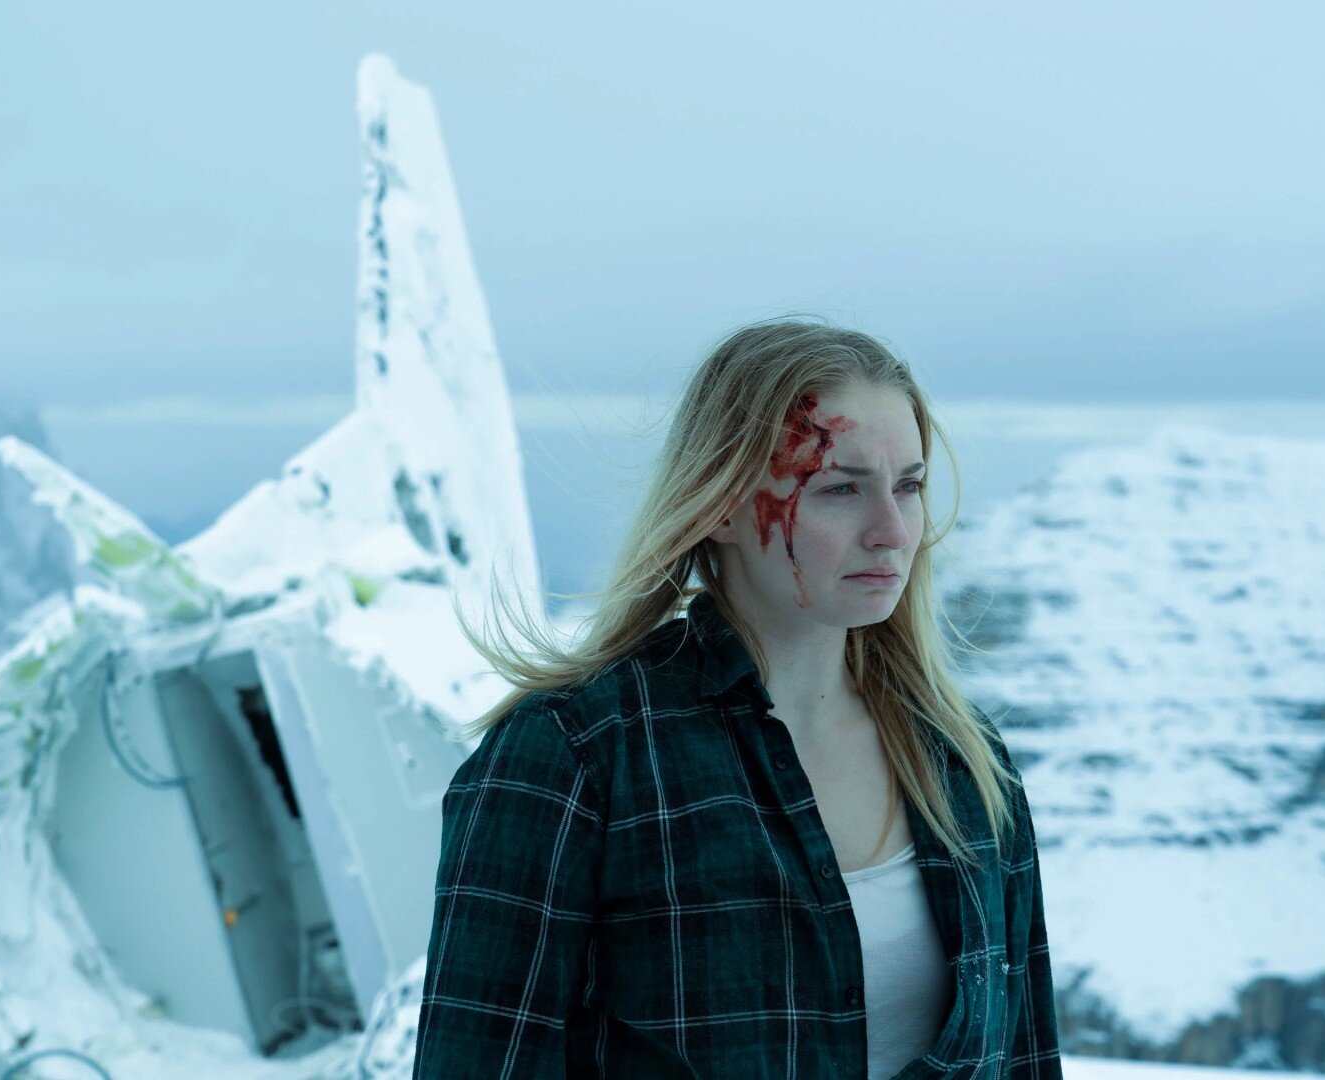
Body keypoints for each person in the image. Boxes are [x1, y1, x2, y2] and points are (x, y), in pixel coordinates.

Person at [414, 317, 1062, 1079]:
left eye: (909, 486)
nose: (892, 531)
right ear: (720, 505)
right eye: (839, 489)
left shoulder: (964, 760)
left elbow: (1026, 1058)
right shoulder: (575, 756)